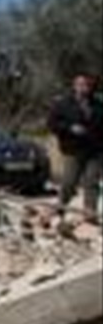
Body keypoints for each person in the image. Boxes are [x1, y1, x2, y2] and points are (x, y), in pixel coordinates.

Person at [47, 74, 103, 217]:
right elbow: (52, 124)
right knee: (69, 182)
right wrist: (69, 128)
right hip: (73, 150)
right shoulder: (63, 104)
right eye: (81, 85)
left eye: (87, 85)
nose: (84, 88)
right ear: (75, 86)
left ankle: (90, 212)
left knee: (92, 182)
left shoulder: (98, 104)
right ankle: (60, 207)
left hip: (94, 151)